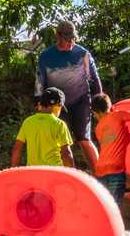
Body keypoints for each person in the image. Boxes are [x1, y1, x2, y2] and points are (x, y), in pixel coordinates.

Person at [35, 19, 102, 168]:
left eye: (73, 39)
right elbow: (39, 81)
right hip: (57, 104)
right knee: (61, 144)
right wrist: (39, 102)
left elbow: (95, 79)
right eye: (67, 39)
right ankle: (70, 178)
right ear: (58, 37)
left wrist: (100, 101)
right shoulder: (45, 56)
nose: (70, 42)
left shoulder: (83, 54)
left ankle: (101, 174)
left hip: (81, 100)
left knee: (84, 139)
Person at [91, 92, 130, 203]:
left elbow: (112, 142)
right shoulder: (118, 115)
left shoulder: (98, 128)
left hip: (100, 169)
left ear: (96, 112)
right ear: (110, 106)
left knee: (104, 206)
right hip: (115, 169)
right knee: (114, 206)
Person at [10, 87, 75, 168]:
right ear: (57, 105)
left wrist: (13, 169)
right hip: (54, 171)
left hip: (33, 172)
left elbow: (17, 148)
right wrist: (72, 174)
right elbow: (66, 153)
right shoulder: (59, 124)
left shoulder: (28, 122)